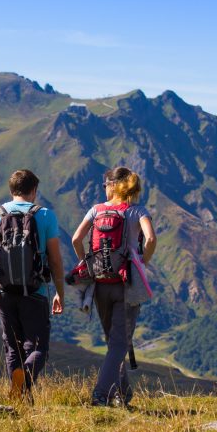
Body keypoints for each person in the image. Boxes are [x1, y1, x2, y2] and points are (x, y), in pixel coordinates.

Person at [71, 166, 156, 407]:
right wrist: (142, 261)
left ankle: (121, 394)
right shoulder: (137, 210)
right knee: (119, 343)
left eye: (106, 185)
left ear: (112, 185)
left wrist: (85, 262)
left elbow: (76, 238)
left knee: (114, 342)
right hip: (126, 285)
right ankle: (100, 394)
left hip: (100, 284)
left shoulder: (95, 210)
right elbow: (150, 238)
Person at [0, 169, 65, 401]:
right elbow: (55, 260)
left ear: (11, 190)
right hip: (36, 291)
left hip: (4, 292)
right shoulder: (45, 215)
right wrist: (59, 293)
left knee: (12, 346)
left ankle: (20, 396)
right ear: (34, 190)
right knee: (38, 348)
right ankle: (24, 383)